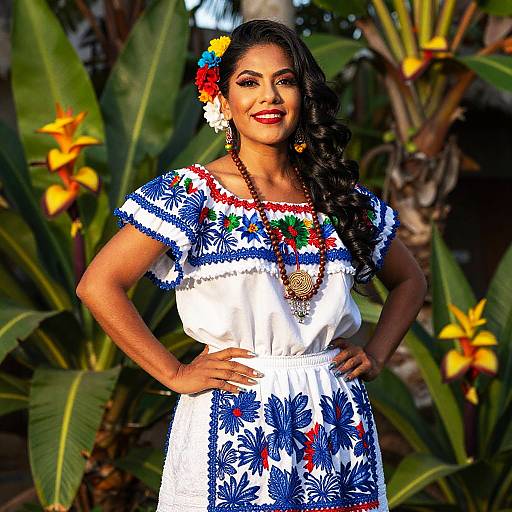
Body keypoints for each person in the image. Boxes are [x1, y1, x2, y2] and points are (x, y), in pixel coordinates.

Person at [76, 19, 427, 512]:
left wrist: (379, 353)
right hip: (235, 419)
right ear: (221, 99)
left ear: (302, 95)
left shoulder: (339, 196)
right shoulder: (193, 195)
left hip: (334, 420)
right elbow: (99, 284)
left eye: (284, 80)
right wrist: (175, 372)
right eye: (249, 82)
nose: (269, 97)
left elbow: (411, 279)